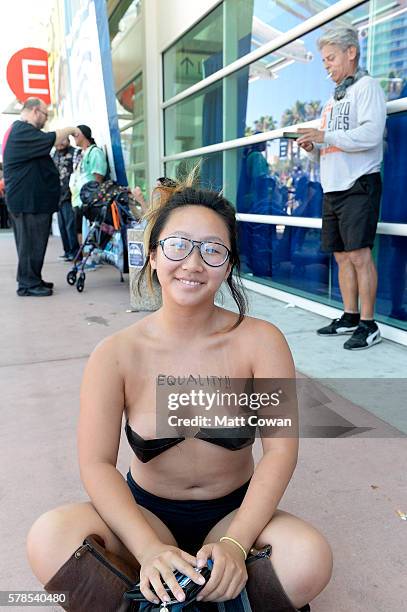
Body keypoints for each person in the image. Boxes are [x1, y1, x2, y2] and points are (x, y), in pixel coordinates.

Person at [27, 177, 332, 611]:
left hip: (234, 514)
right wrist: (148, 547)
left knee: (309, 557)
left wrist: (234, 542)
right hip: (144, 515)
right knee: (48, 537)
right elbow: (95, 465)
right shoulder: (115, 354)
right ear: (152, 256)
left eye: (212, 249)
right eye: (177, 245)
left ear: (228, 266)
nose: (192, 262)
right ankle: (186, 588)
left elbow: (280, 453)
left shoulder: (261, 342)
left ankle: (180, 592)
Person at [297, 27, 386, 350]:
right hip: (332, 187)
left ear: (351, 52)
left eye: (331, 58)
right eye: (323, 61)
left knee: (360, 255)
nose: (327, 66)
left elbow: (371, 136)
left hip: (358, 183)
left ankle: (369, 323)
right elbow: (331, 142)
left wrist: (326, 137)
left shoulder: (367, 88)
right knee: (341, 255)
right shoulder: (331, 102)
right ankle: (349, 316)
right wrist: (313, 146)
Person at [2, 97, 78, 297]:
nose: (46, 119)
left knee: (34, 244)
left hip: (32, 202)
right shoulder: (21, 130)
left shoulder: (22, 132)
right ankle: (27, 284)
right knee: (30, 245)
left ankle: (32, 278)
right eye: (45, 114)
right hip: (28, 202)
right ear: (35, 111)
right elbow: (49, 139)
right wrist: (70, 129)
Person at [69, 124, 107, 249]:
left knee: (89, 229)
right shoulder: (81, 154)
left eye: (76, 133)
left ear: (84, 135)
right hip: (78, 200)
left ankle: (92, 257)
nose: (73, 136)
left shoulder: (95, 152)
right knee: (79, 229)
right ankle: (85, 255)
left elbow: (98, 177)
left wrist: (94, 199)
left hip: (89, 200)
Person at [52, 138, 80, 261]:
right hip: (58, 196)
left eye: (63, 140)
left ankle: (75, 253)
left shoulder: (75, 153)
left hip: (70, 195)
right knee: (62, 225)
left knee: (70, 225)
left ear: (68, 140)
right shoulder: (55, 154)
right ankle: (67, 251)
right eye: (58, 141)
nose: (60, 144)